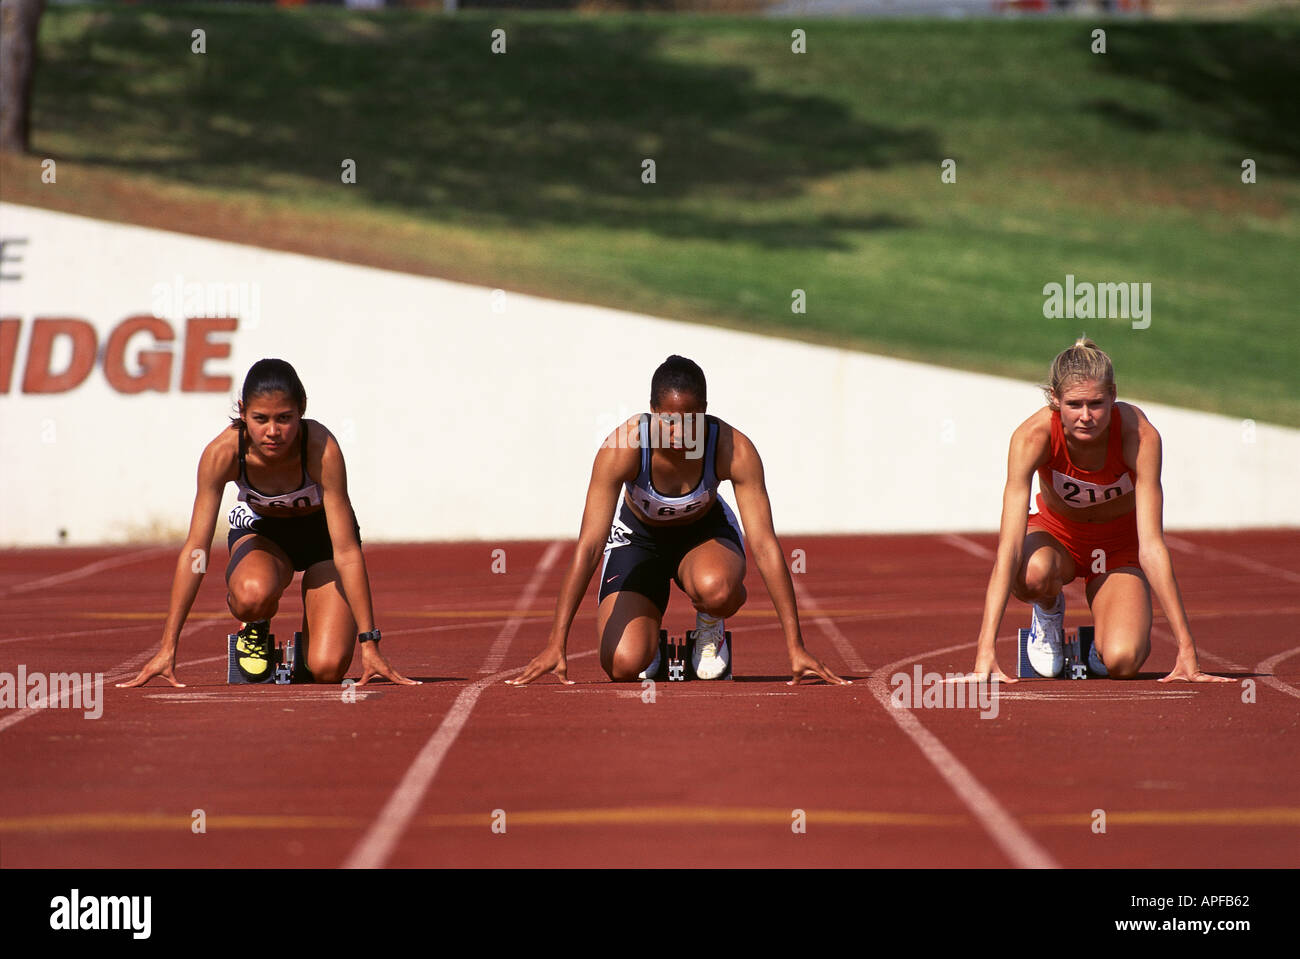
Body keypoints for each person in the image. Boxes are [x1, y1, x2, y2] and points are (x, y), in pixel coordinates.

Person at [507, 355, 849, 687]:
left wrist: (795, 645)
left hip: (703, 537)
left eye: (690, 420)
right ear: (653, 411)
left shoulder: (733, 448)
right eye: (669, 421)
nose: (679, 432)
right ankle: (649, 636)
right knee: (623, 666)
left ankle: (710, 623)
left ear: (704, 412)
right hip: (637, 541)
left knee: (718, 589)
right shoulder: (622, 448)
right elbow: (590, 544)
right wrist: (557, 641)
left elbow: (764, 544)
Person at [118, 358, 418, 688]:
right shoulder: (223, 454)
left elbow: (346, 551)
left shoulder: (322, 449)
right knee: (251, 595)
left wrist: (369, 643)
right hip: (263, 537)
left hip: (322, 542)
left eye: (284, 419)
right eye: (260, 419)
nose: (272, 432)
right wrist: (167, 646)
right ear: (243, 412)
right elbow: (196, 551)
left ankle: (306, 653)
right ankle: (256, 623)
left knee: (328, 669)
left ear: (301, 409)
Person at [971, 337, 1230, 684]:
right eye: (1074, 404)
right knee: (1031, 572)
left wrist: (1187, 651)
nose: (1086, 416)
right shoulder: (1031, 437)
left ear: (1113, 395)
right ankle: (1048, 610)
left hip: (1118, 550)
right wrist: (984, 651)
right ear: (1054, 399)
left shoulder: (1139, 436)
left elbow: (1152, 545)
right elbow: (1010, 548)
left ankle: (1107, 638)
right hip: (1057, 539)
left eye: (1096, 404)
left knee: (1123, 662)